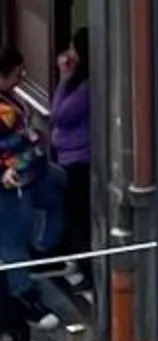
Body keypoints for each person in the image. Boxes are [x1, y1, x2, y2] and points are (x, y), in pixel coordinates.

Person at [0, 44, 76, 331]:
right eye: (19, 73)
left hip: (35, 170)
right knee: (12, 242)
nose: (23, 77)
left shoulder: (9, 99)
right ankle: (23, 298)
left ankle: (45, 247)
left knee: (58, 185)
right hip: (13, 180)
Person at [49, 30, 91, 299]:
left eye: (73, 50)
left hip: (79, 162)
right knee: (72, 215)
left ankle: (86, 273)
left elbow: (59, 115)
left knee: (78, 219)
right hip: (68, 158)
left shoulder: (85, 87)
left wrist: (63, 79)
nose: (69, 55)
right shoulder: (78, 83)